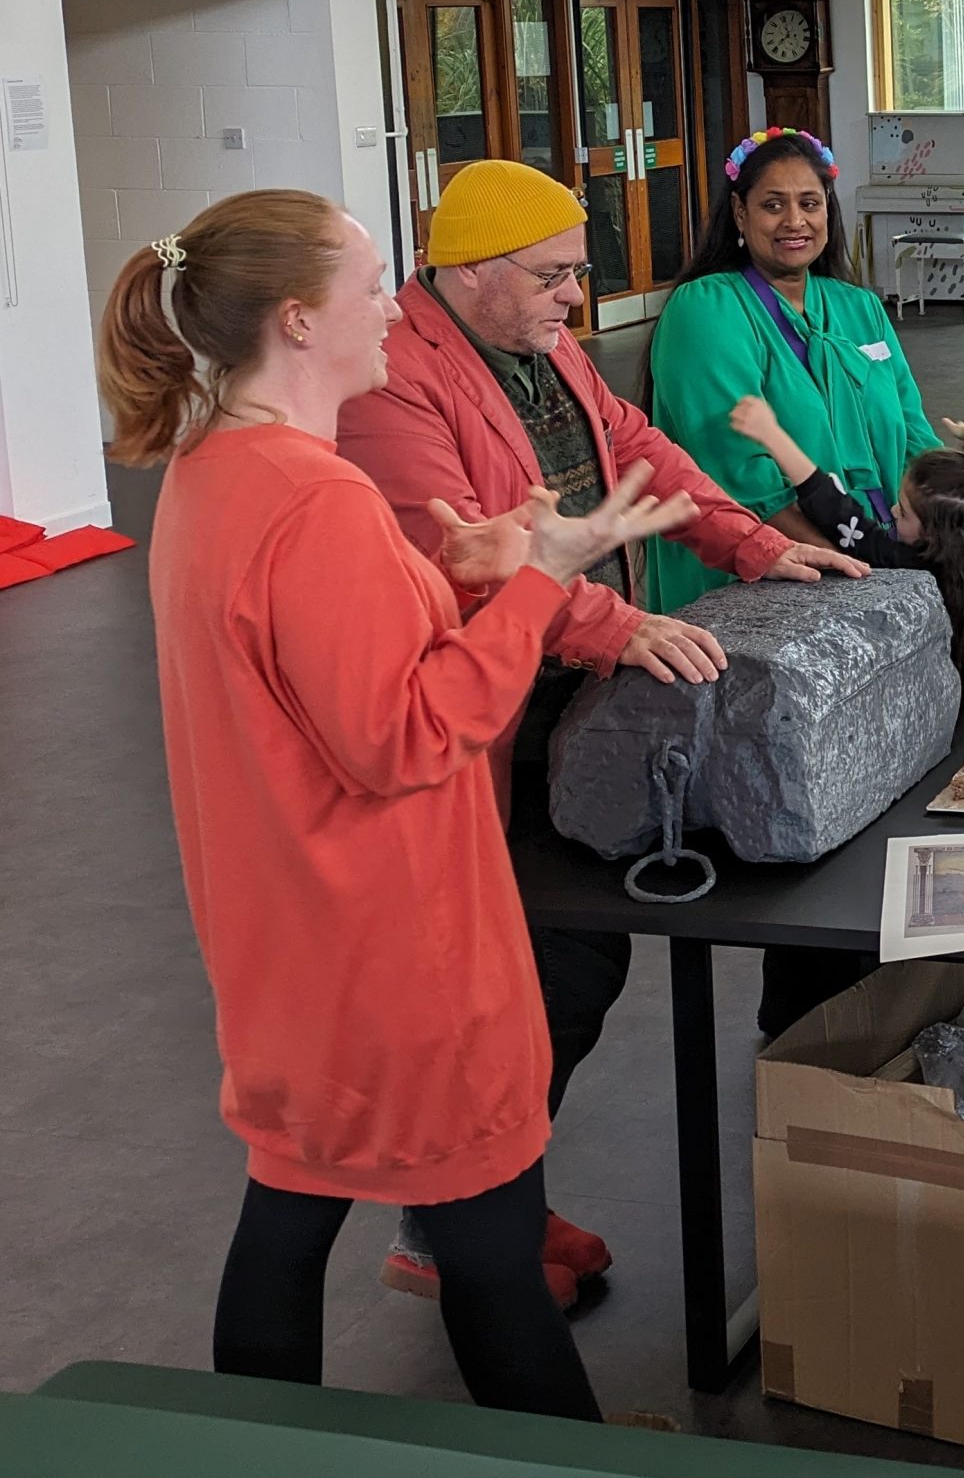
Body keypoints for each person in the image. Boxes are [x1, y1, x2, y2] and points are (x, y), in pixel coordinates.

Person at [100, 190, 698, 1415]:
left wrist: (452, 574)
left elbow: (318, 667)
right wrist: (535, 587)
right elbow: (405, 733)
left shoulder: (215, 477)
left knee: (297, 1198)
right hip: (395, 942)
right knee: (486, 1244)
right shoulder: (316, 502)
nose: (395, 306)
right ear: (300, 320)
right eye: (374, 283)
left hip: (288, 928)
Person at [336, 159, 863, 1304]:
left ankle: (486, 1214)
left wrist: (752, 544)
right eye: (556, 276)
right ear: (470, 273)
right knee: (528, 977)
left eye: (579, 274)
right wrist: (616, 625)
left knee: (561, 971)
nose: (577, 298)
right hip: (474, 723)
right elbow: (467, 554)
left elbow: (637, 447)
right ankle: (448, 1240)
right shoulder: (391, 387)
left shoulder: (540, 344)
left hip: (555, 702)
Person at [644, 126, 947, 614]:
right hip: (769, 575)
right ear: (740, 213)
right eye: (773, 205)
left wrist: (951, 533)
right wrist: (838, 574)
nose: (795, 221)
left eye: (810, 203)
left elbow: (914, 435)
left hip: (878, 559)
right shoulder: (706, 308)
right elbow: (739, 471)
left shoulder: (860, 308)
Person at [729, 401, 964, 707]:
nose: (894, 511)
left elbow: (840, 513)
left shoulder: (917, 567)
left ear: (939, 536)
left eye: (906, 513)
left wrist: (772, 435)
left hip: (948, 701)